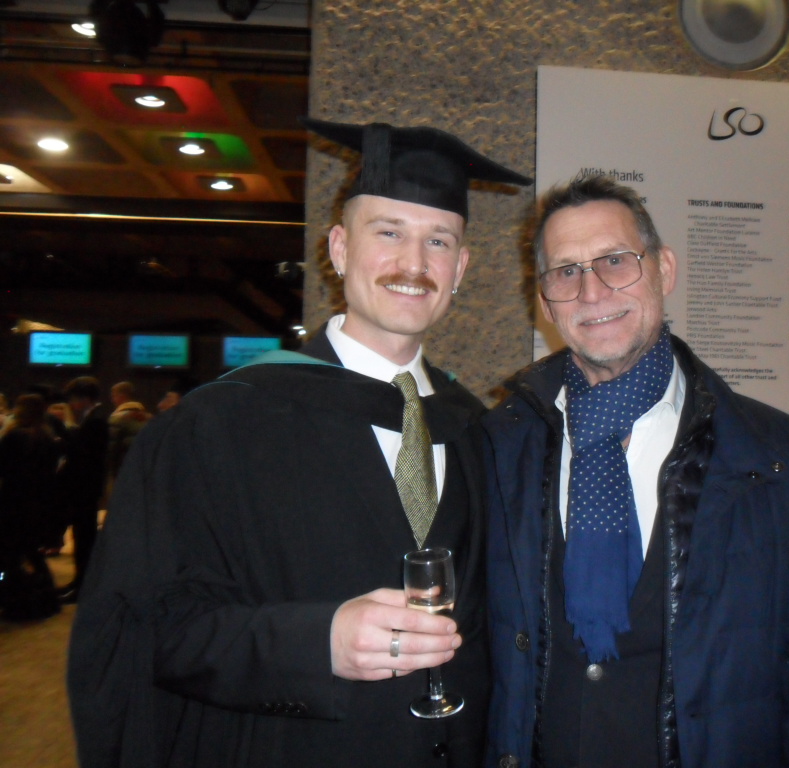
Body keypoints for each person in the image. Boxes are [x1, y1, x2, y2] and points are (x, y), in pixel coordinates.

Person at [68, 120, 530, 768]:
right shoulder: (218, 427)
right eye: (388, 232)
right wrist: (316, 644)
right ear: (338, 248)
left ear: (461, 268)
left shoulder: (477, 429)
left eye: (439, 241)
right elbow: (142, 629)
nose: (414, 264)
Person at [483, 175, 789, 767]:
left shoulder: (777, 455)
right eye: (566, 272)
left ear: (664, 269)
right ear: (544, 301)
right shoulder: (500, 445)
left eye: (616, 261)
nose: (591, 291)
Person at [0, 393, 63, 619]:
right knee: (33, 553)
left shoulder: (14, 437)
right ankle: (45, 598)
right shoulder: (47, 436)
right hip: (39, 503)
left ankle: (16, 600)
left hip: (13, 502)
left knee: (11, 554)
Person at [58, 376, 109, 602]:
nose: (71, 404)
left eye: (74, 399)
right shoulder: (94, 418)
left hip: (84, 489)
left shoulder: (95, 421)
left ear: (85, 398)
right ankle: (78, 582)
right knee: (82, 538)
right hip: (87, 489)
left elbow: (85, 458)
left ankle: (82, 586)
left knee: (84, 539)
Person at [106, 380, 151, 485]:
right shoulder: (148, 418)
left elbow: (111, 450)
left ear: (122, 396)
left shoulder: (117, 419)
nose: (112, 400)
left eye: (114, 396)